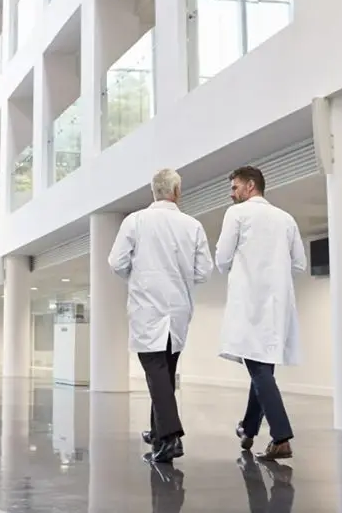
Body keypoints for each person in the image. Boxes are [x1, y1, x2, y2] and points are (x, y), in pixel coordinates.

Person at [108, 168, 213, 463]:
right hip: (178, 310)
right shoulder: (192, 225)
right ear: (177, 192)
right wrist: (181, 277)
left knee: (156, 374)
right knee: (164, 374)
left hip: (147, 308)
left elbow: (116, 262)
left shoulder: (135, 221)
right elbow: (204, 271)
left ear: (153, 192)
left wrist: (136, 276)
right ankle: (158, 433)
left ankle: (170, 438)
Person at [215, 166, 306, 461]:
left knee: (258, 369)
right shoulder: (286, 218)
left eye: (234, 187)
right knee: (262, 368)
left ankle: (281, 437)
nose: (231, 193)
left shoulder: (237, 215)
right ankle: (249, 427)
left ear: (250, 186)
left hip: (249, 302)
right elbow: (299, 264)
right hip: (277, 305)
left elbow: (222, 257)